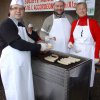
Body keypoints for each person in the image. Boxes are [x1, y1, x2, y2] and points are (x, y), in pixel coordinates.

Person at [0, 0, 52, 100]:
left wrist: (39, 47)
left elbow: (27, 42)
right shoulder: (6, 24)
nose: (18, 11)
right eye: (15, 8)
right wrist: (40, 47)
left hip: (23, 65)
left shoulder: (21, 25)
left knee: (26, 92)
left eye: (21, 9)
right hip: (13, 67)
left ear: (24, 11)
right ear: (10, 10)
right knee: (16, 93)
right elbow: (18, 44)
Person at [68, 1, 100, 91]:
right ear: (76, 11)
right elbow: (72, 36)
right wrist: (70, 42)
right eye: (79, 9)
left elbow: (99, 39)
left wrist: (97, 55)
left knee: (87, 76)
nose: (81, 10)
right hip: (75, 52)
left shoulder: (93, 23)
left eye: (83, 8)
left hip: (88, 53)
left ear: (86, 10)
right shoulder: (74, 23)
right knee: (75, 75)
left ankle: (87, 94)